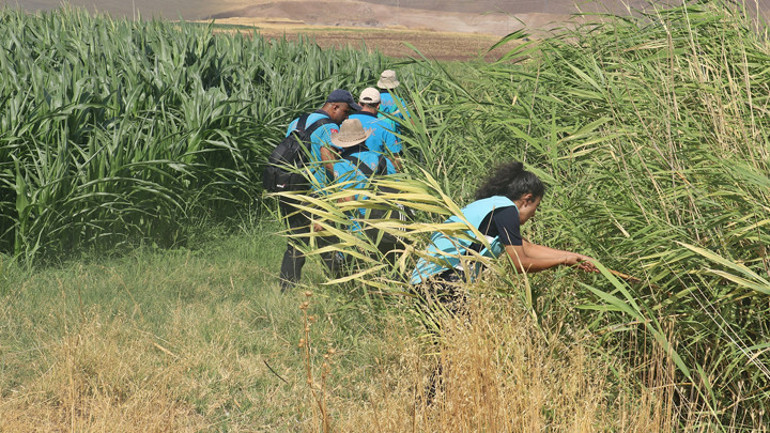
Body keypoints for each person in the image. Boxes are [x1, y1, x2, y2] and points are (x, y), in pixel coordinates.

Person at [411, 161, 597, 305]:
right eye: (536, 207)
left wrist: (575, 257)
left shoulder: (493, 206)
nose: (534, 215)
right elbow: (520, 263)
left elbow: (527, 248)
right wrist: (563, 261)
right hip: (444, 280)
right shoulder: (507, 210)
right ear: (527, 199)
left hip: (425, 280)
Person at [279, 89, 361, 291]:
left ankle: (286, 288)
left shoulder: (298, 121)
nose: (347, 117)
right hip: (317, 193)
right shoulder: (328, 127)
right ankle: (342, 288)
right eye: (346, 111)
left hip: (292, 188)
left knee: (296, 242)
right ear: (335, 107)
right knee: (328, 243)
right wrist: (344, 183)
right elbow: (328, 159)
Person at [329, 118, 402, 263]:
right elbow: (397, 187)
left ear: (342, 144)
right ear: (364, 139)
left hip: (360, 230)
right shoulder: (382, 159)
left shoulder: (341, 165)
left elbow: (347, 201)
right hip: (388, 225)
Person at [348, 87, 402, 170]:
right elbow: (395, 159)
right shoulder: (385, 126)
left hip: (348, 172)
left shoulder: (346, 121)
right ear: (378, 105)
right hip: (375, 174)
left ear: (359, 103)